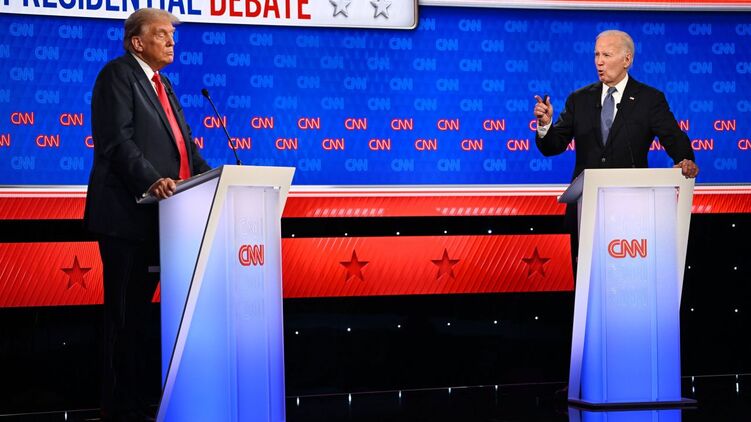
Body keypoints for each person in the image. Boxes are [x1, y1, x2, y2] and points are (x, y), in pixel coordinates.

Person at [84, 8, 211, 421]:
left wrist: (218, 179)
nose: (171, 41)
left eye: (171, 34)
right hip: (126, 217)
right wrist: (152, 179)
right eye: (161, 34)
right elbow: (116, 142)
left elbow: (184, 148)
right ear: (137, 42)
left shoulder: (163, 84)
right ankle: (118, 409)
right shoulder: (117, 76)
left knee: (145, 319)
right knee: (125, 317)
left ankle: (143, 403)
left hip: (165, 220)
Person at [532, 29, 699, 276]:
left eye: (607, 55)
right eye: (596, 55)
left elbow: (674, 138)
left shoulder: (649, 99)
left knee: (629, 277)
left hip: (632, 209)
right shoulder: (579, 99)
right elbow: (552, 146)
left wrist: (685, 159)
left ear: (627, 59)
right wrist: (546, 125)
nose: (599, 62)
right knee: (585, 280)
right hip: (586, 210)